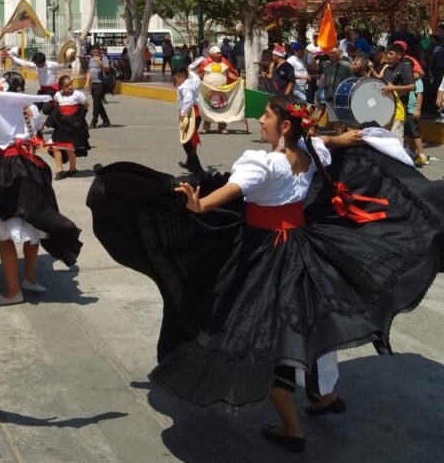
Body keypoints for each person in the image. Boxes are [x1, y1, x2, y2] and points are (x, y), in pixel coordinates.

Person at [88, 94, 443, 453]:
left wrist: (200, 204)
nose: (260, 120)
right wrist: (348, 138)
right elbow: (323, 141)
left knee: (260, 335)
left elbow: (230, 192)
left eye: (267, 116)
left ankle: (291, 426)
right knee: (311, 320)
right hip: (305, 245)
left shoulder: (264, 163)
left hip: (266, 252)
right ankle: (323, 394)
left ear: (285, 126)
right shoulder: (311, 152)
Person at [0, 88, 82, 306]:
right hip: (30, 169)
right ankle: (29, 279)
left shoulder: (2, 119)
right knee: (33, 224)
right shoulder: (30, 114)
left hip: (8, 172)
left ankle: (12, 291)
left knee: (5, 231)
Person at [45, 74, 90, 179]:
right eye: (66, 85)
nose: (70, 87)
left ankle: (72, 169)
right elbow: (56, 107)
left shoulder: (78, 94)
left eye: (71, 84)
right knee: (55, 147)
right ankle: (60, 170)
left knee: (70, 149)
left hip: (72, 126)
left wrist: (78, 118)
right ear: (61, 87)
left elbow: (86, 105)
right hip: (61, 125)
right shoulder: (57, 95)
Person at [196, 45, 239, 134]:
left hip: (222, 90)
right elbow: (201, 75)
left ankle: (222, 127)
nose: (220, 54)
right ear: (212, 54)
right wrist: (194, 78)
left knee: (222, 108)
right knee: (208, 108)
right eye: (217, 53)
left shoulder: (224, 63)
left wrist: (238, 79)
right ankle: (206, 127)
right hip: (208, 90)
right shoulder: (205, 63)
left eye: (220, 53)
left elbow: (229, 75)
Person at [378, 43, 416, 143]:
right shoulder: (387, 68)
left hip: (398, 108)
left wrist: (394, 88)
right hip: (385, 108)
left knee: (396, 140)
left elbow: (412, 86)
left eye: (391, 53)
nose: (388, 56)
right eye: (387, 54)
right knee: (385, 139)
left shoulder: (405, 67)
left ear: (399, 55)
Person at [173, 66, 203, 174]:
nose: (175, 81)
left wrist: (182, 113)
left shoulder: (184, 87)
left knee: (187, 142)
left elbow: (188, 100)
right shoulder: (193, 81)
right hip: (196, 113)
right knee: (191, 140)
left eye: (176, 78)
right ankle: (190, 163)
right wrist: (190, 71)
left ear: (181, 77)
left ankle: (197, 168)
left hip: (190, 114)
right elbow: (196, 77)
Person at [317, 47, 353, 135]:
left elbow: (352, 79)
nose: (332, 55)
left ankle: (347, 138)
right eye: (330, 53)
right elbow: (317, 74)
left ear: (339, 54)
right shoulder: (324, 64)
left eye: (334, 53)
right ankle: (339, 138)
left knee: (346, 118)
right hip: (330, 95)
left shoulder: (347, 65)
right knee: (335, 119)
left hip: (343, 95)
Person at [406, 67, 428, 167]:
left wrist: (418, 109)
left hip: (412, 110)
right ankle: (413, 153)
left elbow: (419, 94)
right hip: (405, 110)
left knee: (415, 133)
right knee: (409, 133)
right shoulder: (405, 77)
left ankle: (422, 155)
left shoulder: (416, 79)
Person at [85, 44, 111, 129]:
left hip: (100, 84)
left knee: (96, 103)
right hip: (93, 83)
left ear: (99, 51)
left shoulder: (104, 58)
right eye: (94, 50)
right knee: (98, 103)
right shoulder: (91, 59)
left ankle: (94, 121)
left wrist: (99, 62)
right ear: (91, 51)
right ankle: (106, 120)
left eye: (97, 50)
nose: (95, 52)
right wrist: (87, 83)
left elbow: (107, 69)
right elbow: (89, 72)